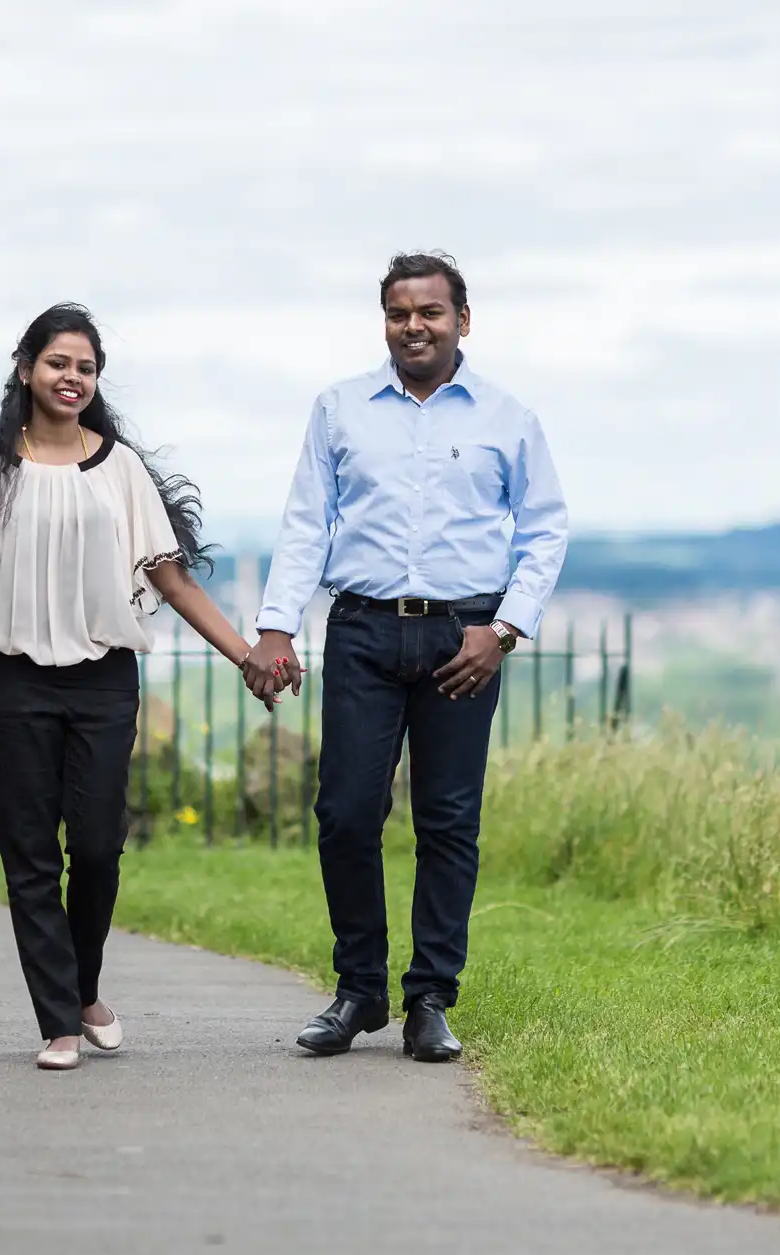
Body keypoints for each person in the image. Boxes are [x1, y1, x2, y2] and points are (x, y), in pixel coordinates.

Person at [250, 252, 569, 1062]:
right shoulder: (340, 410)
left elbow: (544, 530)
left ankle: (430, 997)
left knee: (449, 821)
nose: (414, 326)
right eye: (399, 313)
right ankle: (359, 990)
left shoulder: (507, 418)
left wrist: (504, 630)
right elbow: (303, 524)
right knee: (346, 814)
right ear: (385, 321)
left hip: (463, 639)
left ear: (464, 320)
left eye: (430, 312)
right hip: (361, 629)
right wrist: (278, 626)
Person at [0, 304, 273, 1071]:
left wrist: (246, 654)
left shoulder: (118, 468)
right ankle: (60, 1021)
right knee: (28, 855)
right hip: (13, 681)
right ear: (25, 367)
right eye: (59, 362)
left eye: (86, 368)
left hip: (101, 681)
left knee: (95, 847)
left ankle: (84, 985)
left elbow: (171, 578)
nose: (73, 378)